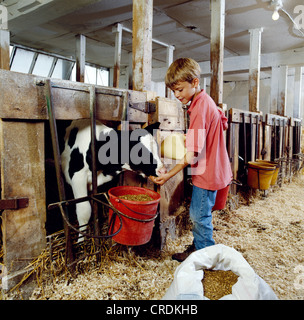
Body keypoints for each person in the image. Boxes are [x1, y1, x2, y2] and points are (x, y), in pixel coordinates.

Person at [150, 58, 232, 262]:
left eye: (180, 90)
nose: (177, 95)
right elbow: (222, 122)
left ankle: (207, 260)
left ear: (195, 82)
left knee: (198, 217)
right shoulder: (205, 100)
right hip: (215, 168)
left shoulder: (198, 108)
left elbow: (192, 154)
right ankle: (198, 247)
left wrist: (168, 175)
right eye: (174, 91)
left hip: (207, 173)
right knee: (201, 214)